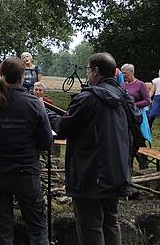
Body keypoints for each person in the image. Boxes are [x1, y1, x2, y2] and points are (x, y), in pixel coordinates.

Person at [50, 53, 131, 245]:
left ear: (95, 71)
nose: (88, 74)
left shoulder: (87, 98)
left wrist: (46, 114)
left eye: (88, 69)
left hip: (90, 171)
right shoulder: (125, 97)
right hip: (118, 169)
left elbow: (62, 128)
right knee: (111, 221)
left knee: (90, 225)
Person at [0, 57, 53, 245]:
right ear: (22, 77)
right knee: (38, 228)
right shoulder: (35, 104)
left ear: (2, 75)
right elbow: (46, 143)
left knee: (2, 232)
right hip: (27, 174)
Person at [121, 63, 151, 169]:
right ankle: (129, 167)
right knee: (128, 141)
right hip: (126, 117)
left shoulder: (140, 84)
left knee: (140, 139)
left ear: (132, 72)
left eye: (125, 73)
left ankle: (144, 166)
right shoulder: (123, 85)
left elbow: (147, 101)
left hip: (138, 116)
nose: (123, 75)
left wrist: (133, 105)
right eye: (122, 73)